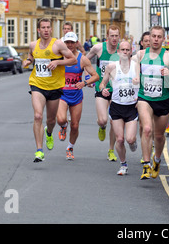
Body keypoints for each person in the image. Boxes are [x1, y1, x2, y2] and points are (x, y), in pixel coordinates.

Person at [23, 18, 77, 163]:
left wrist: (57, 62)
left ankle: (49, 132)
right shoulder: (33, 45)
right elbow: (31, 56)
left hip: (54, 87)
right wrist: (28, 61)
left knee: (51, 120)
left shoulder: (58, 44)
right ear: (38, 30)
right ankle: (39, 151)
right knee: (38, 116)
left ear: (51, 30)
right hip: (37, 84)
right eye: (43, 27)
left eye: (48, 27)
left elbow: (73, 60)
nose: (46, 30)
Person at [135, 25, 169, 180]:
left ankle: (157, 159)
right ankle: (146, 165)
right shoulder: (141, 55)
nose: (155, 39)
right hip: (144, 98)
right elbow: (131, 70)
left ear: (163, 39)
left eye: (158, 37)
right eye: (153, 36)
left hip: (162, 100)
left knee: (159, 136)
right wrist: (134, 79)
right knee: (146, 129)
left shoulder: (168, 56)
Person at [56, 32, 99, 160]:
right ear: (64, 43)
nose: (69, 45)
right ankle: (63, 127)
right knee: (61, 119)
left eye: (72, 42)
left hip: (76, 96)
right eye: (67, 42)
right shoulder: (59, 57)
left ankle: (70, 147)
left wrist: (84, 83)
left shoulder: (82, 59)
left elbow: (95, 76)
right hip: (62, 94)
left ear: (76, 43)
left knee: (75, 125)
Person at [99, 40, 139, 175]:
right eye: (122, 50)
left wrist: (137, 84)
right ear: (118, 52)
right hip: (116, 106)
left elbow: (141, 82)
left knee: (130, 139)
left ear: (130, 52)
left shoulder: (136, 66)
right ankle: (123, 164)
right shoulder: (111, 67)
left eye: (127, 50)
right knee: (120, 139)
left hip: (131, 107)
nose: (125, 52)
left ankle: (133, 143)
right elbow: (102, 83)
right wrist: (104, 89)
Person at [86, 25, 120, 161]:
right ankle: (101, 127)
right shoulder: (98, 48)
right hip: (101, 87)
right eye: (111, 35)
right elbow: (84, 61)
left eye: (116, 35)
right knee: (103, 120)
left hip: (117, 90)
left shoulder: (123, 49)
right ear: (107, 36)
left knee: (114, 121)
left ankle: (111, 150)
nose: (114, 38)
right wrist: (89, 77)